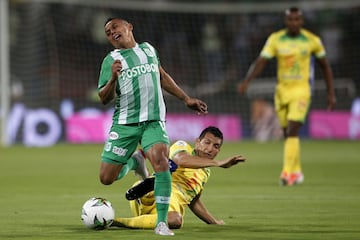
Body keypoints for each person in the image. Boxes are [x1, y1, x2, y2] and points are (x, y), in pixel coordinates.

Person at [98, 17, 208, 236]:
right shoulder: (111, 60)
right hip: (125, 124)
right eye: (108, 32)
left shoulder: (148, 50)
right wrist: (112, 78)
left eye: (115, 27)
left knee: (161, 162)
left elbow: (162, 76)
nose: (112, 33)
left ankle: (161, 223)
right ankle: (134, 162)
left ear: (129, 27)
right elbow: (103, 97)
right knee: (107, 178)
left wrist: (186, 99)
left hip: (153, 121)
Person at [237, 7, 336, 186]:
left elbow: (325, 66)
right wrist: (247, 81)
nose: (294, 23)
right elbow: (261, 61)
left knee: (292, 130)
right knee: (287, 134)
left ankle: (287, 173)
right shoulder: (276, 39)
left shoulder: (312, 41)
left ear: (302, 21)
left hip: (301, 91)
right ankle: (297, 171)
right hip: (282, 92)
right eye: (291, 20)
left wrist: (331, 93)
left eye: (297, 19)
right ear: (286, 21)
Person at [111, 126, 246, 230]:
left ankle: (140, 214)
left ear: (219, 151)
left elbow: (193, 200)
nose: (210, 149)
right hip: (159, 194)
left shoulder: (205, 173)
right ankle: (117, 220)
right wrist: (218, 163)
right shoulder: (183, 146)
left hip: (169, 206)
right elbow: (181, 159)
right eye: (207, 142)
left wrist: (213, 221)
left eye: (216, 146)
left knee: (173, 220)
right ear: (197, 142)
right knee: (175, 219)